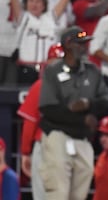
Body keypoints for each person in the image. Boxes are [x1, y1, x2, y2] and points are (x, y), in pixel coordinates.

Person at [39, 26, 108, 200]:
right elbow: (48, 108)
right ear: (68, 44)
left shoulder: (93, 71)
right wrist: (82, 119)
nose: (85, 47)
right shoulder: (53, 71)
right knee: (58, 194)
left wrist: (87, 104)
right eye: (80, 43)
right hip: (58, 136)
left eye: (85, 43)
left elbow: (105, 101)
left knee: (79, 195)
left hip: (83, 139)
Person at [17, 43, 64, 200]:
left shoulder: (42, 85)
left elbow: (30, 122)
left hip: (46, 145)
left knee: (43, 194)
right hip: (71, 145)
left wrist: (25, 152)